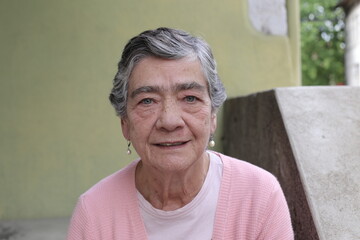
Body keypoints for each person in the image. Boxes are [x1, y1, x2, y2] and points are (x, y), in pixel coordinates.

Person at [67, 27, 294, 240]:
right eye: (148, 101)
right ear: (125, 123)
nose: (169, 121)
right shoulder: (94, 213)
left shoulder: (259, 196)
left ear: (212, 114)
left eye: (190, 98)